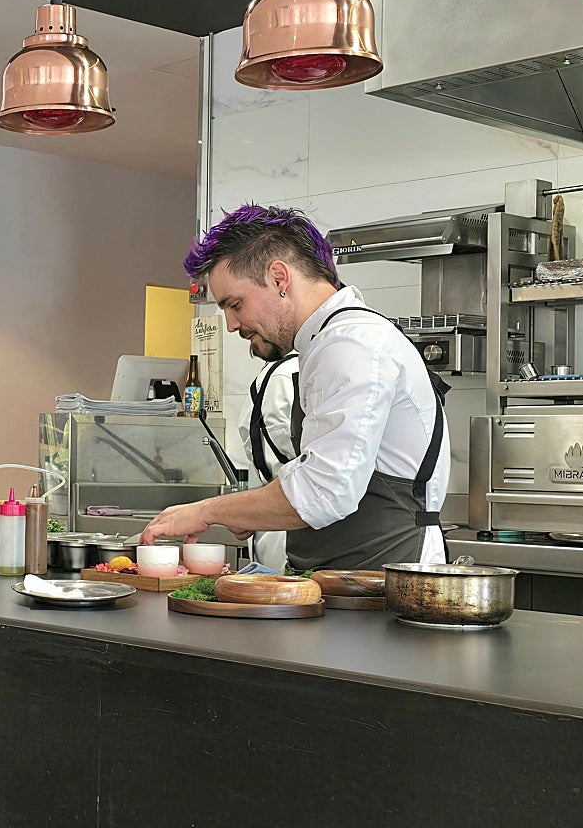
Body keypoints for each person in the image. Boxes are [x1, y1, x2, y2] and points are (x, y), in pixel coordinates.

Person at [141, 204, 450, 570]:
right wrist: (247, 512)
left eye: (235, 304)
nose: (231, 324)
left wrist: (209, 511)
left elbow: (324, 492)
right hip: (345, 586)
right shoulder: (326, 343)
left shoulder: (350, 344)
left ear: (279, 278)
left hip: (383, 590)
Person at [238, 351, 300, 572]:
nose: (232, 327)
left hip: (284, 533)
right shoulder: (285, 376)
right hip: (288, 527)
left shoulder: (277, 377)